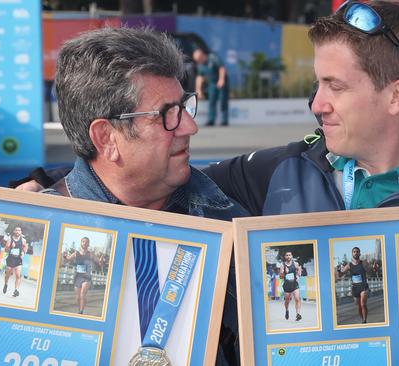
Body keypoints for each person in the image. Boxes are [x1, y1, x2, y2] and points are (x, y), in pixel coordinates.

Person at [14, 3, 399, 363]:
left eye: (334, 87)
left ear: (394, 96)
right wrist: (47, 200)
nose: (315, 104)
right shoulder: (270, 175)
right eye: (317, 84)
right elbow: (142, 181)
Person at [43, 27, 247, 365]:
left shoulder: (227, 224)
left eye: (184, 106)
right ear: (106, 138)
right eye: (166, 114)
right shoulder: (36, 234)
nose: (189, 127)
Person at [62, 237, 103, 314]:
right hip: (78, 277)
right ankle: (79, 309)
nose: (85, 243)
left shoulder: (91, 254)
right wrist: (64, 257)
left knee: (82, 294)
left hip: (86, 277)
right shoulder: (76, 253)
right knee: (78, 297)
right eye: (83, 241)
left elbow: (99, 262)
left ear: (88, 244)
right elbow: (66, 260)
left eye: (86, 242)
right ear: (81, 243)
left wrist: (101, 261)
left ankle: (81, 311)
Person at [193, 48, 229, 126]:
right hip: (212, 83)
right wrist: (198, 90)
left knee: (223, 100)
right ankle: (211, 120)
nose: (198, 62)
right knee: (211, 100)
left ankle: (224, 120)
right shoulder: (200, 65)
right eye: (197, 60)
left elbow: (222, 68)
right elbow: (199, 77)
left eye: (199, 59)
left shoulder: (212, 58)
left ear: (202, 55)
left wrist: (221, 79)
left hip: (221, 81)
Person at [337, 247, 369, 323]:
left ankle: (364, 320)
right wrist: (338, 271)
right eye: (354, 252)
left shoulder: (363, 263)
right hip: (355, 287)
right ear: (352, 254)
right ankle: (363, 319)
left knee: (363, 304)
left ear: (359, 253)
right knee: (358, 306)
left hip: (363, 286)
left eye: (357, 251)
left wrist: (369, 267)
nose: (356, 253)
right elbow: (341, 275)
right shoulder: (349, 265)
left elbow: (369, 270)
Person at [2, 226, 28, 297]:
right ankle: (6, 284)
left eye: (19, 230)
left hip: (18, 259)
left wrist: (23, 253)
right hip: (11, 259)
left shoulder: (23, 240)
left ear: (21, 232)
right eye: (16, 230)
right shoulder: (10, 239)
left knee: (18, 275)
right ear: (14, 231)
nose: (17, 232)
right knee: (7, 274)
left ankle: (16, 290)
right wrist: (10, 247)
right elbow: (6, 250)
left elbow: (25, 247)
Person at [279, 251, 302, 321]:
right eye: (287, 255)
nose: (288, 256)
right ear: (285, 257)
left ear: (292, 256)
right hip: (287, 286)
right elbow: (281, 277)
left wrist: (298, 275)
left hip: (294, 284)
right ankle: (287, 310)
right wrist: (284, 272)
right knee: (287, 300)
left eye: (289, 255)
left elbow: (299, 271)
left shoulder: (295, 264)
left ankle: (298, 314)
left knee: (297, 298)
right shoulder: (282, 265)